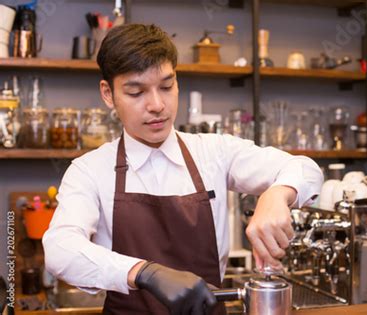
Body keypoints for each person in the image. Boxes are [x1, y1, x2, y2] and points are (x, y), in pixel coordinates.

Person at [43, 23, 323, 315]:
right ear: (108, 94)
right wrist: (144, 273)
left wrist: (278, 194)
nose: (157, 105)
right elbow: (60, 250)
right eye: (136, 92)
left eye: (166, 86)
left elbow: (305, 169)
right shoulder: (89, 170)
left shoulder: (215, 151)